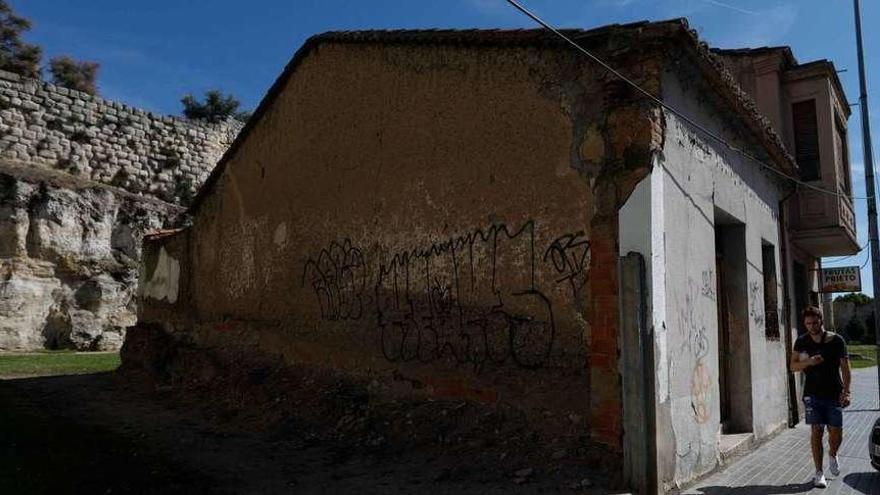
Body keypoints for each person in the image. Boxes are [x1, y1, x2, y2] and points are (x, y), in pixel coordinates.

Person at [790, 305, 851, 488]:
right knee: (816, 431)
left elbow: (846, 368)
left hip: (834, 392)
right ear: (804, 324)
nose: (812, 326)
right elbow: (793, 366)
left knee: (836, 432)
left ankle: (833, 454)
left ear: (821, 321)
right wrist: (809, 361)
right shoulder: (801, 341)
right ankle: (819, 473)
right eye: (808, 323)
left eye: (815, 322)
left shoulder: (836, 340)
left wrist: (846, 391)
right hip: (812, 394)